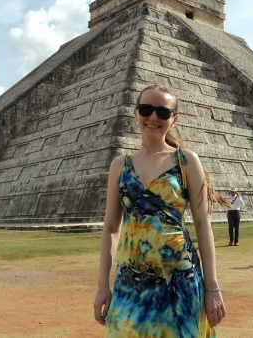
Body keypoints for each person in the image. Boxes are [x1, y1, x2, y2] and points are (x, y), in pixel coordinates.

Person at [93, 85, 228, 337]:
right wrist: (103, 285)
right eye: (146, 109)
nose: (153, 117)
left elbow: (202, 225)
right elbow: (111, 228)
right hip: (130, 280)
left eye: (163, 112)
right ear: (135, 113)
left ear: (174, 120)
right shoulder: (120, 165)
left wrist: (212, 287)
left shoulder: (186, 160)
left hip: (179, 277)